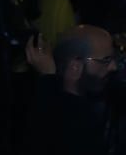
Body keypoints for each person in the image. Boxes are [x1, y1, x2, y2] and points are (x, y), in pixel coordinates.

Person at [25, 24, 119, 155]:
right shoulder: (76, 126)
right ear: (75, 67)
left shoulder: (59, 104)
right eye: (106, 60)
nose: (113, 67)